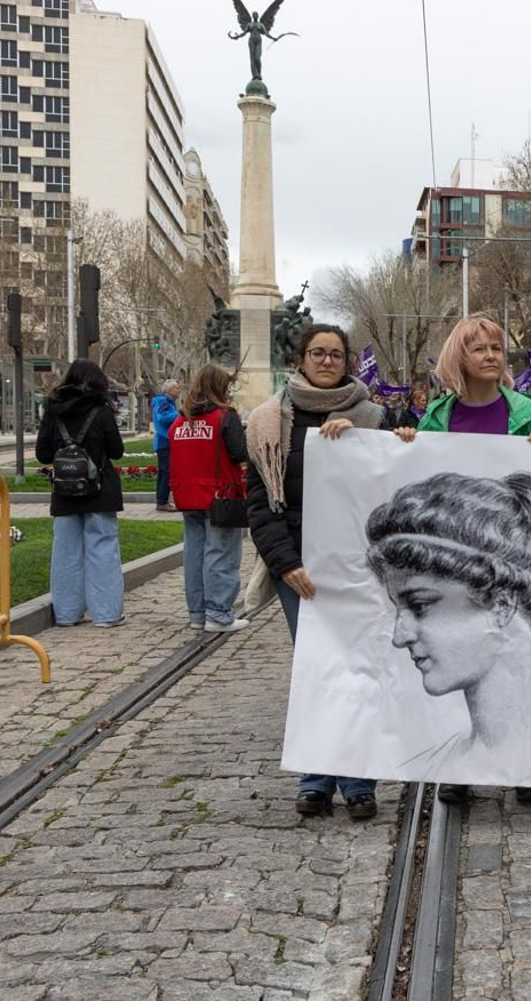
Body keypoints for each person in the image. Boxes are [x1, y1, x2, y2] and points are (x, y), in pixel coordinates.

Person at [393, 316, 531, 806]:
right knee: (463, 650)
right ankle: (464, 767)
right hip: (455, 557)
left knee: (513, 656)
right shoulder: (436, 417)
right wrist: (404, 443)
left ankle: (522, 763)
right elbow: (419, 480)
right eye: (478, 348)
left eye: (496, 348)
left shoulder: (528, 413)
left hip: (512, 557)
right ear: (458, 358)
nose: (490, 355)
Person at [247, 323, 384, 820]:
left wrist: (363, 444)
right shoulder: (268, 421)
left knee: (356, 669)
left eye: (336, 354)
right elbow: (260, 503)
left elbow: (392, 482)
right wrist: (285, 564)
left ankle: (359, 781)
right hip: (299, 568)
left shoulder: (372, 418)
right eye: (317, 353)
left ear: (348, 362)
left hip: (357, 567)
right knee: (318, 670)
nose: (327, 361)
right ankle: (317, 779)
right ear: (301, 359)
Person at [366, 470, 531, 773]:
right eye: (398, 609)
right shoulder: (440, 762)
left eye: (419, 605)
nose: (399, 637)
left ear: (502, 604)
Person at [36, 359, 126, 629]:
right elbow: (117, 451)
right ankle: (106, 614)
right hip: (99, 490)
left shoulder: (53, 410)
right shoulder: (101, 410)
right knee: (103, 550)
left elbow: (42, 453)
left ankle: (67, 613)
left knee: (66, 552)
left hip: (64, 491)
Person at [170, 365, 250, 634]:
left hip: (188, 495)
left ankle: (198, 612)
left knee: (194, 554)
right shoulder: (225, 416)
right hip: (220, 496)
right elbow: (239, 453)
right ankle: (218, 613)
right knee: (221, 553)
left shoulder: (181, 421)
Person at [152, 379, 181, 513]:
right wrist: (180, 414)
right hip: (164, 441)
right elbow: (162, 418)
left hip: (166, 441)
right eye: (176, 388)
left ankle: (161, 501)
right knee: (167, 472)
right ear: (169, 390)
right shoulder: (162, 402)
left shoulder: (168, 402)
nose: (179, 390)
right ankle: (162, 502)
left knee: (164, 472)